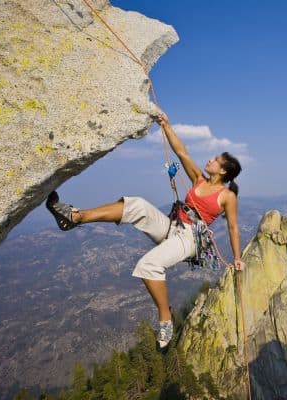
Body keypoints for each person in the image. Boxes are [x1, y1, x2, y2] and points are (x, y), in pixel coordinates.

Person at [45, 111, 244, 351]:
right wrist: (166, 125)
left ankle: (165, 318)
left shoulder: (227, 196)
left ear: (223, 171)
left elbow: (233, 226)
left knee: (149, 265)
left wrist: (237, 258)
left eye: (215, 159)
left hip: (191, 239)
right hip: (172, 226)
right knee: (137, 205)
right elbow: (181, 151)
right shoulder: (198, 180)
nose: (210, 160)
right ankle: (75, 217)